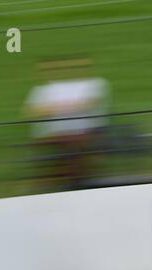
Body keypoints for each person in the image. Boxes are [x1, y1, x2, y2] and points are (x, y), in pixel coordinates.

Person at [23, 57, 110, 188]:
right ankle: (67, 180)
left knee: (73, 143)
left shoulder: (95, 83)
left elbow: (88, 105)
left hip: (88, 131)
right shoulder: (43, 89)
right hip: (57, 133)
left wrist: (55, 108)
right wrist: (69, 107)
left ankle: (71, 181)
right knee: (68, 144)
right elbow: (31, 112)